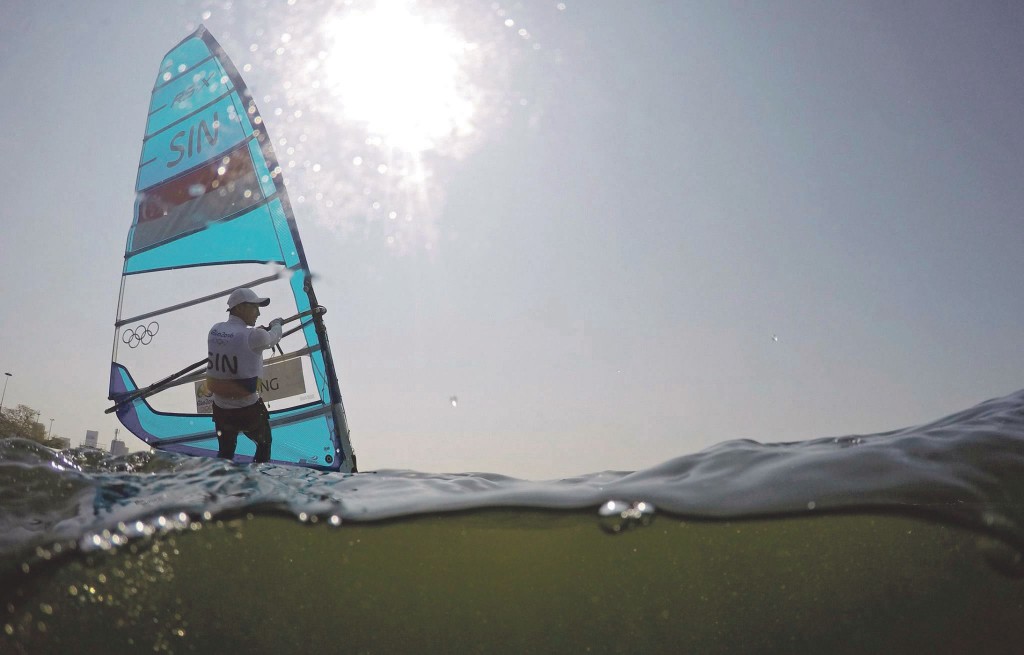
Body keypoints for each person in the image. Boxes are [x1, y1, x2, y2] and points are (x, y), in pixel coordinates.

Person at [206, 287, 284, 463]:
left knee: (225, 454)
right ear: (240, 308)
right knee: (264, 444)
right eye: (255, 307)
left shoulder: (215, 330)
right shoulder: (254, 335)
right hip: (247, 409)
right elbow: (273, 337)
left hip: (221, 410)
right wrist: (277, 324)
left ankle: (220, 487)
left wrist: (260, 332)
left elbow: (236, 339)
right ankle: (258, 480)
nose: (258, 312)